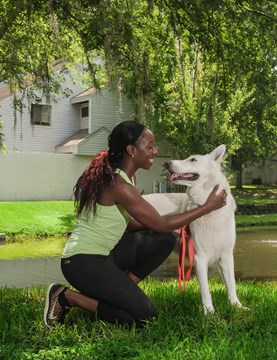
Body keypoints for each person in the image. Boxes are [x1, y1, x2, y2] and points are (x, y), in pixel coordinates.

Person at [44, 120, 227, 328]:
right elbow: (160, 223)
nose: (155, 151)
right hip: (82, 262)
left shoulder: (127, 178)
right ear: (131, 150)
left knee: (165, 240)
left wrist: (171, 224)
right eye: (149, 147)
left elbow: (130, 225)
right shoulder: (119, 185)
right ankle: (66, 297)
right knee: (142, 318)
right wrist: (207, 207)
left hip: (105, 255)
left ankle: (121, 290)